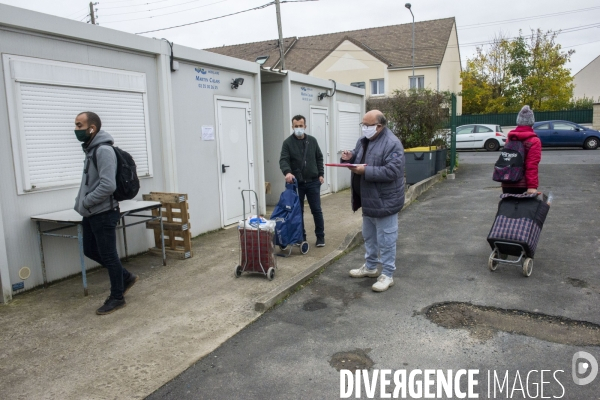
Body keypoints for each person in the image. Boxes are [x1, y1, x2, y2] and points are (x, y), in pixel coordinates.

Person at [74, 112, 138, 315]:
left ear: (92, 128)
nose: (76, 129)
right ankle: (125, 276)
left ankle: (117, 297)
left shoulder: (103, 150)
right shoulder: (90, 150)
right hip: (91, 213)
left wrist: (86, 201)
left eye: (79, 125)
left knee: (109, 256)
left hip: (103, 212)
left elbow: (108, 185)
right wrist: (84, 205)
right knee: (90, 250)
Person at [341, 110, 405, 292]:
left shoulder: (392, 143)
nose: (364, 128)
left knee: (387, 239)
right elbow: (359, 157)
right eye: (362, 124)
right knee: (369, 236)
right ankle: (370, 267)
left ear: (379, 126)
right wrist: (349, 158)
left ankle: (388, 274)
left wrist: (365, 172)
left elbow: (392, 171)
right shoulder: (364, 141)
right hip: (368, 199)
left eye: (367, 125)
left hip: (385, 201)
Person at [279, 115, 326, 247]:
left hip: (313, 182)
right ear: (292, 126)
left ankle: (320, 237)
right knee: (297, 212)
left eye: (301, 126)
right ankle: (301, 237)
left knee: (316, 210)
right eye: (296, 126)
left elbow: (319, 158)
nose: (298, 128)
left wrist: (321, 174)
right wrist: (287, 172)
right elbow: (283, 160)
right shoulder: (287, 143)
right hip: (296, 183)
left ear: (305, 126)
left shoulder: (312, 141)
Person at [501, 105, 542, 195]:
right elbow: (531, 165)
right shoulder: (534, 140)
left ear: (518, 121)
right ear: (532, 122)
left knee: (508, 208)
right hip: (523, 185)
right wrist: (532, 186)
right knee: (525, 209)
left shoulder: (510, 138)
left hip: (507, 181)